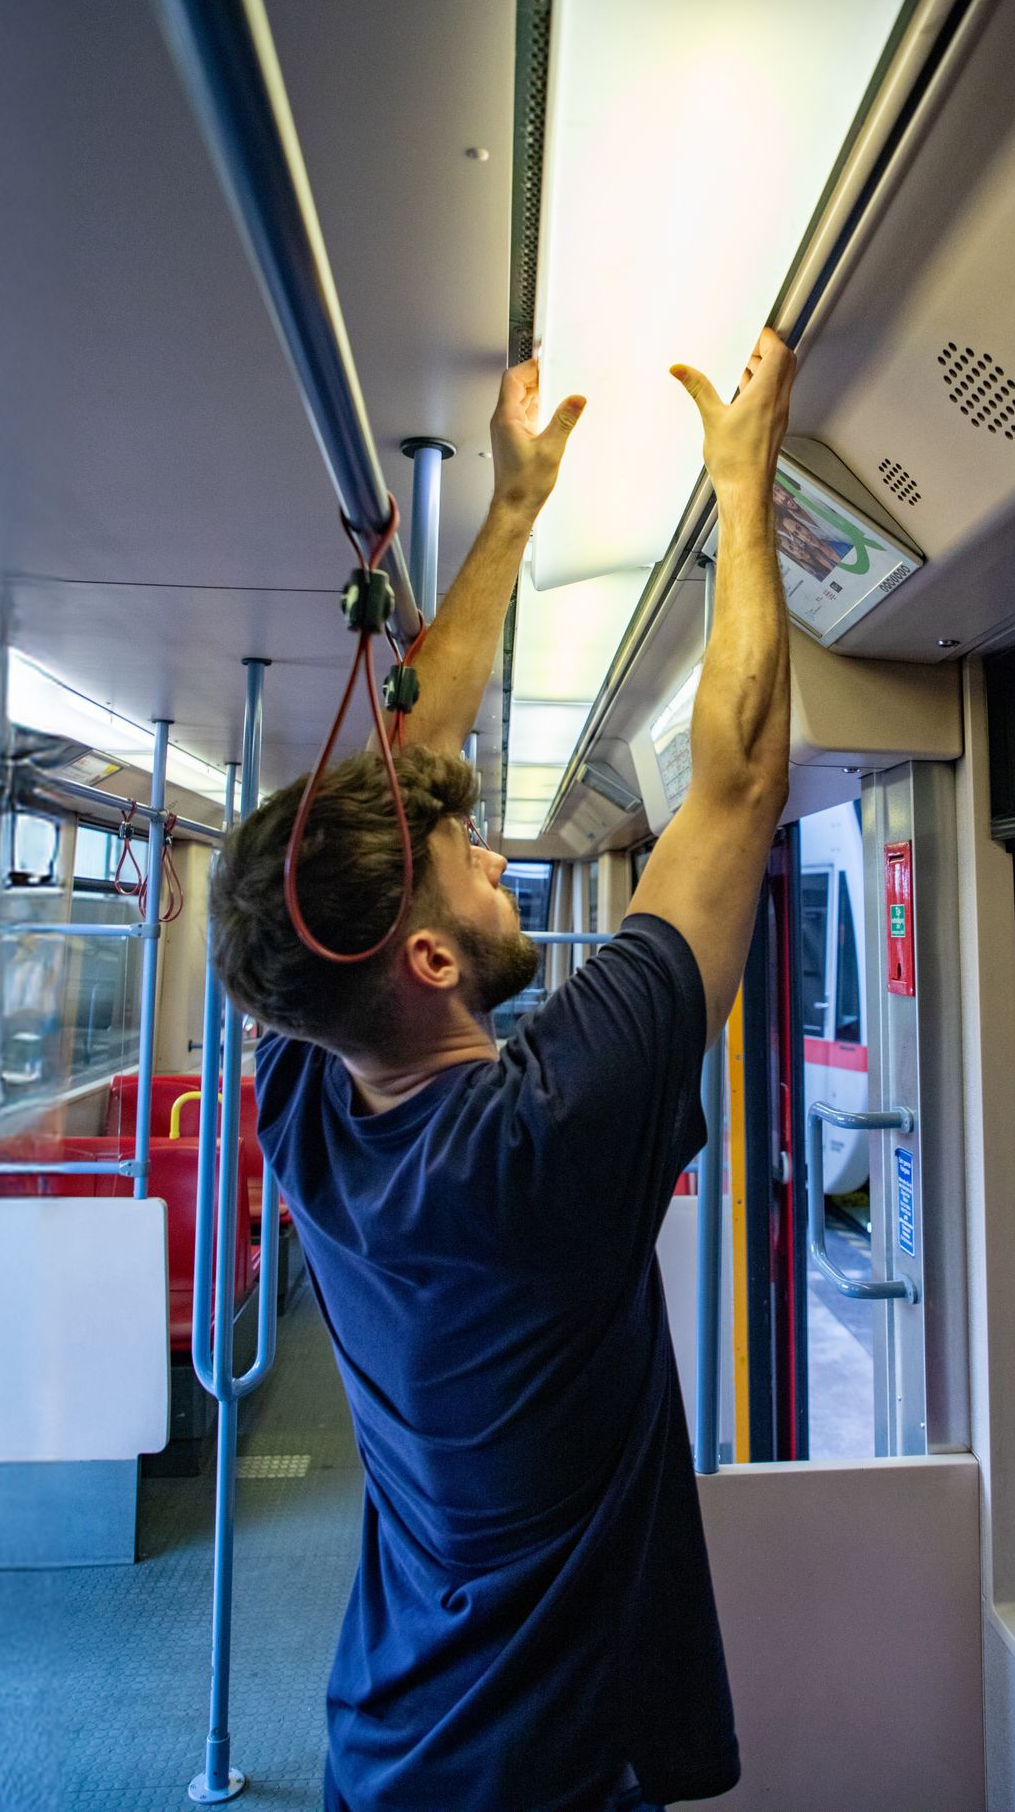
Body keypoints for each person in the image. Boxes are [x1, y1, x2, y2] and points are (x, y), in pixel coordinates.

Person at [207, 333, 801, 1812]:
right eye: (468, 863)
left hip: (404, 1737)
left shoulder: (311, 1094)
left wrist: (516, 507)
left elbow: (397, 773)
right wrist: (745, 484)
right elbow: (735, 778)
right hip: (536, 1776)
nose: (489, 850)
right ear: (424, 962)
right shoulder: (545, 1137)